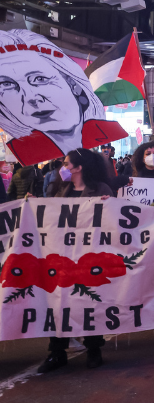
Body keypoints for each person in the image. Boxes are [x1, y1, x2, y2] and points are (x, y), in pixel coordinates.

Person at [34, 148, 114, 373]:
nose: (64, 168)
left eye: (67, 164)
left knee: (89, 302)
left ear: (79, 168)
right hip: (62, 257)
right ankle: (57, 352)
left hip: (89, 257)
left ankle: (93, 349)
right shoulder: (60, 189)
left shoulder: (101, 190)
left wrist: (108, 205)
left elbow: (113, 223)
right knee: (58, 304)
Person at [0, 30, 128, 163]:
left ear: (73, 83)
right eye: (7, 84)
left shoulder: (105, 134)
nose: (30, 97)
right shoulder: (23, 152)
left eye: (39, 79)